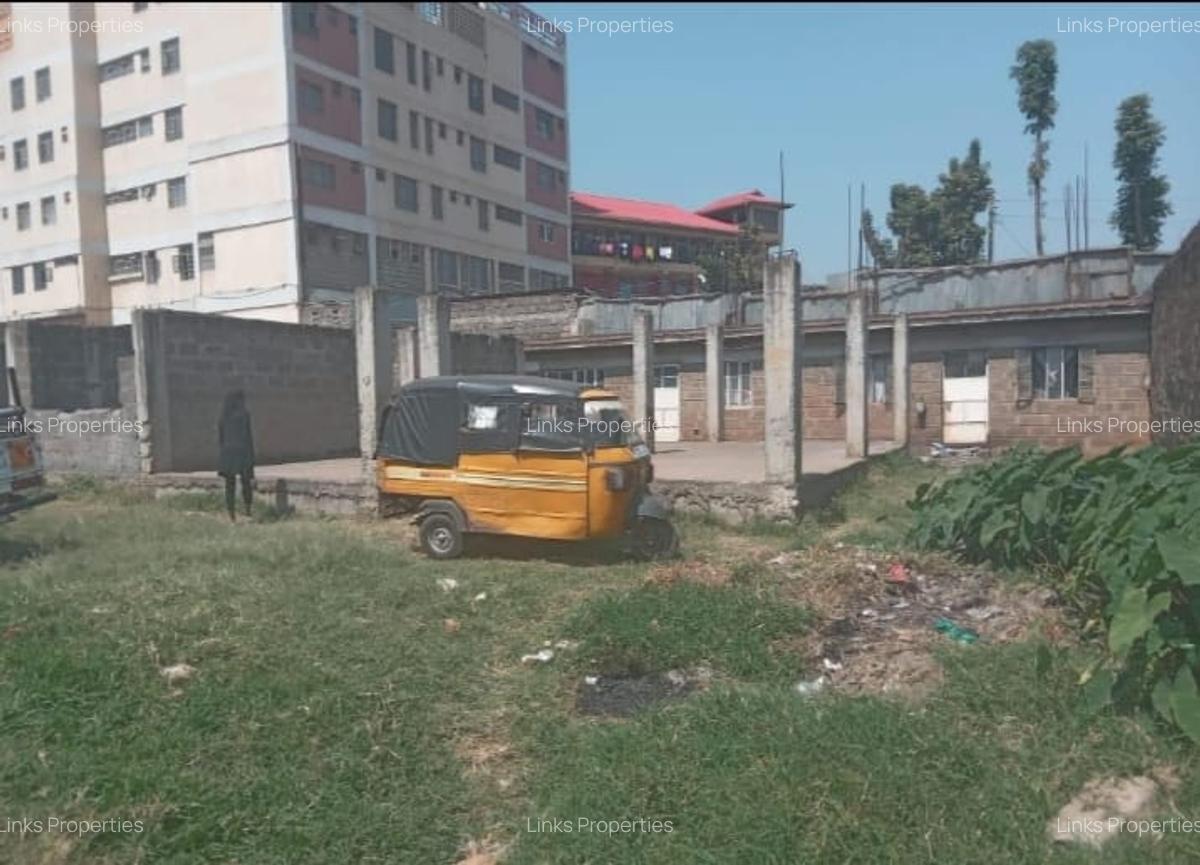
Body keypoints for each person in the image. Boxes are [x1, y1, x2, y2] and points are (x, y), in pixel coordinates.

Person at [217, 390, 255, 521]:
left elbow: (221, 438)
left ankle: (231, 513)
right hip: (242, 451)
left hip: (227, 453)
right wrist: (251, 457)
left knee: (229, 485)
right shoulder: (244, 415)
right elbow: (248, 437)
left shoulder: (223, 417)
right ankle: (248, 510)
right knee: (246, 482)